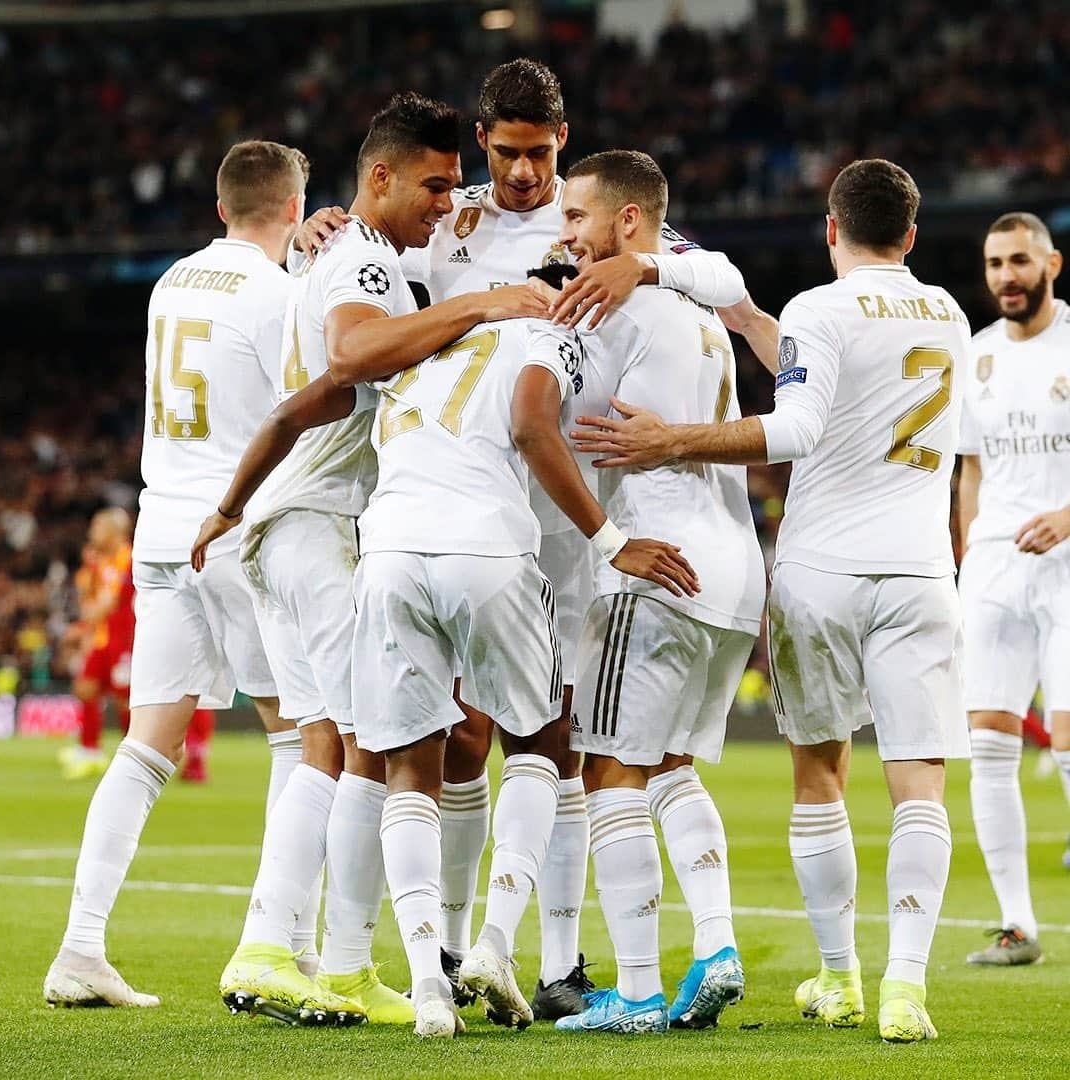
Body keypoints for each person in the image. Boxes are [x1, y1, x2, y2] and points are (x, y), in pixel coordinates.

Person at [294, 57, 773, 1019]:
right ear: (484, 143)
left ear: (563, 142)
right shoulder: (450, 221)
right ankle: (471, 948)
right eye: (509, 154)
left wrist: (657, 270)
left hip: (582, 502)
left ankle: (558, 961)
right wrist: (319, 233)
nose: (524, 176)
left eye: (541, 155)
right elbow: (372, 286)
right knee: (474, 741)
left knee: (560, 731)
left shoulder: (606, 220)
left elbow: (723, 282)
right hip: (486, 499)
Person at [573, 159, 972, 1044]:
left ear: (830, 229)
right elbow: (816, 372)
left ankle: (840, 980)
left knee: (820, 777)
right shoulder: (948, 314)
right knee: (919, 786)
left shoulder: (819, 309)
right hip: (920, 571)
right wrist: (748, 318)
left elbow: (797, 426)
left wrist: (671, 439)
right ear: (911, 235)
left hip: (822, 570)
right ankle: (905, 988)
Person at [191, 92, 549, 1030]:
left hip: (287, 521)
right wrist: (483, 302)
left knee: (331, 741)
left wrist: (232, 505)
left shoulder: (355, 256)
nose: (445, 201)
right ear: (378, 176)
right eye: (432, 184)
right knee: (373, 748)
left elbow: (303, 401)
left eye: (452, 184)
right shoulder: (363, 261)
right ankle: (322, 958)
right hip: (317, 525)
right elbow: (353, 357)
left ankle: (289, 949)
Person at [350, 289, 698, 1038]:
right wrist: (611, 542)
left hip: (386, 553)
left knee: (411, 768)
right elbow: (533, 423)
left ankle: (428, 989)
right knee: (544, 744)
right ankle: (497, 943)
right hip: (488, 550)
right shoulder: (550, 333)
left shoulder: (414, 347)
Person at [43, 140, 309, 1009]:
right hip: (233, 528)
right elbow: (301, 411)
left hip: (160, 532)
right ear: (294, 208)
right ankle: (281, 947)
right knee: (297, 735)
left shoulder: (171, 282)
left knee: (145, 747)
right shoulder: (281, 294)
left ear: (220, 208)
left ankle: (80, 949)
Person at [542, 151, 764, 1036]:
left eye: (576, 219)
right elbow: (724, 274)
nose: (564, 237)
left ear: (628, 224)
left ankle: (634, 991)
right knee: (670, 762)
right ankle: (716, 948)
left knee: (610, 769)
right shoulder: (696, 306)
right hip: (733, 573)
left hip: (659, 563)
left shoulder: (618, 305)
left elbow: (548, 419)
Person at [957, 211, 1070, 965]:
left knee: (1067, 745)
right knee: (988, 746)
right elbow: (969, 466)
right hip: (994, 566)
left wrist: (1067, 516)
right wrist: (967, 552)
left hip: (1068, 563)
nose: (1007, 276)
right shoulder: (977, 355)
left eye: (1020, 262)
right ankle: (1019, 925)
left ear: (1051, 264)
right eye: (996, 263)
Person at [61, 509, 135, 781]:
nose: (92, 533)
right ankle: (89, 750)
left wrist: (83, 625)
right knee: (86, 687)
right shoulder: (102, 562)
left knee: (125, 700)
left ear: (114, 531)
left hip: (127, 639)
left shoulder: (127, 557)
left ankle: (139, 755)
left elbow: (108, 602)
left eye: (97, 527)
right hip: (105, 639)